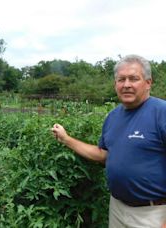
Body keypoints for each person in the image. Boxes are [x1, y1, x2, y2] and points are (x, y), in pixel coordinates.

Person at [51, 54, 166, 228]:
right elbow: (103, 155)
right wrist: (66, 139)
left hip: (153, 214)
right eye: (121, 79)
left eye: (134, 79)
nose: (126, 84)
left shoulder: (161, 112)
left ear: (148, 83)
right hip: (118, 209)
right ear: (115, 85)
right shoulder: (113, 117)